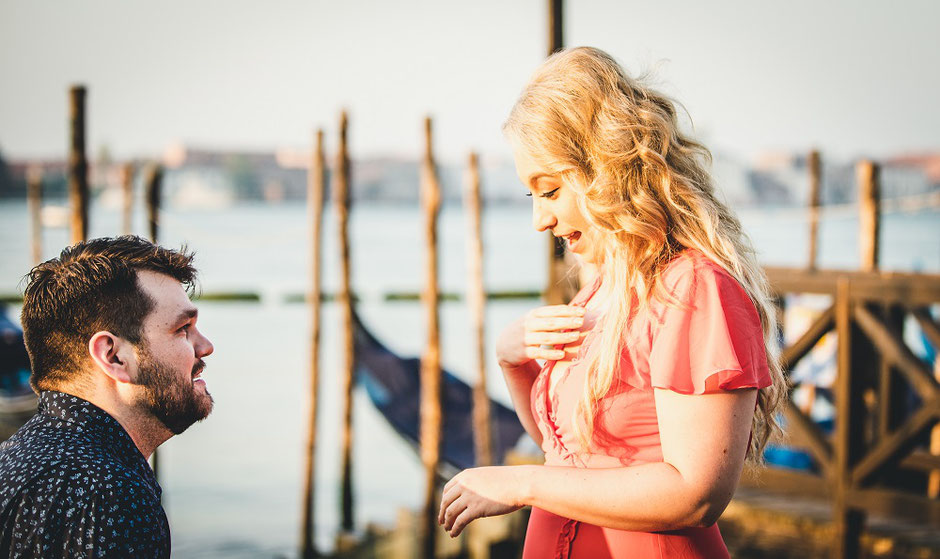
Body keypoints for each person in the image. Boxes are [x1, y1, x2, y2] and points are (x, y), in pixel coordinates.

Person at [438, 47, 785, 558]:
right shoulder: (600, 292)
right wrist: (512, 363)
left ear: (606, 170)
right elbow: (573, 453)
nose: (540, 220)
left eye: (550, 190)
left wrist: (521, 484)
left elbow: (696, 495)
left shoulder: (694, 290)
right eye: (531, 196)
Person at [0, 236, 215, 558]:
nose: (206, 346)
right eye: (182, 328)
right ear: (113, 356)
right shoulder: (106, 491)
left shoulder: (18, 454)